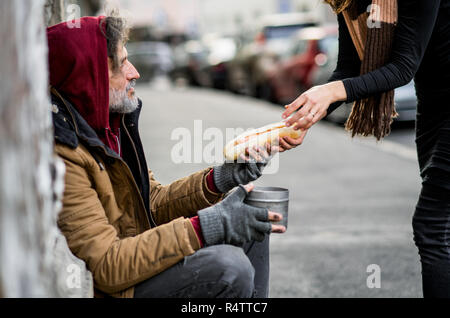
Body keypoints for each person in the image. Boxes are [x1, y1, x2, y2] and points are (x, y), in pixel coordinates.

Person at [47, 14, 288, 298]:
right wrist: (208, 226)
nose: (134, 72)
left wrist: (220, 179)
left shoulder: (106, 126)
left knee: (250, 216)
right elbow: (107, 266)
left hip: (134, 261)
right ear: (90, 77)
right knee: (228, 267)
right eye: (121, 64)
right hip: (114, 286)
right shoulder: (64, 153)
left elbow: (152, 202)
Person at [279, 0, 450, 297]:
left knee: (432, 227)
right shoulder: (349, 1)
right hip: (433, 105)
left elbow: (402, 67)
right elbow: (348, 68)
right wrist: (305, 118)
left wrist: (330, 91)